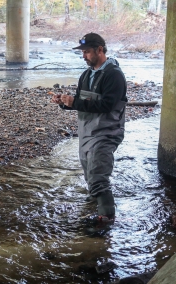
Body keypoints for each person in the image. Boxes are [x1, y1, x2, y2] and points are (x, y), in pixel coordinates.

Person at [51, 33, 127, 223]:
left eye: (87, 52)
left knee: (98, 173)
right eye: (82, 52)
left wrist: (75, 102)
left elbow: (107, 106)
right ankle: (94, 202)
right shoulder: (86, 75)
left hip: (107, 131)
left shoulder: (114, 75)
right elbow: (80, 102)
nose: (83, 56)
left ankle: (107, 217)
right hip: (87, 131)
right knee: (88, 170)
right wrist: (63, 102)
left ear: (100, 50)